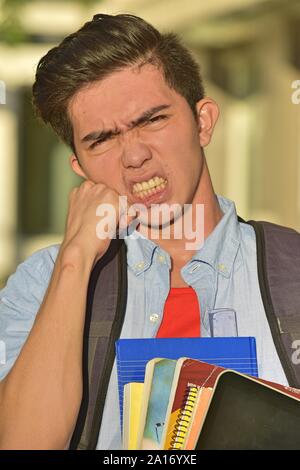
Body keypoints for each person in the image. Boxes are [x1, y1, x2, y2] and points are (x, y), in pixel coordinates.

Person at [0, 13, 292, 450]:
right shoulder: (43, 283)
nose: (134, 156)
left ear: (204, 122)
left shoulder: (293, 271)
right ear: (79, 168)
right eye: (102, 139)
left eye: (152, 120)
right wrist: (76, 260)